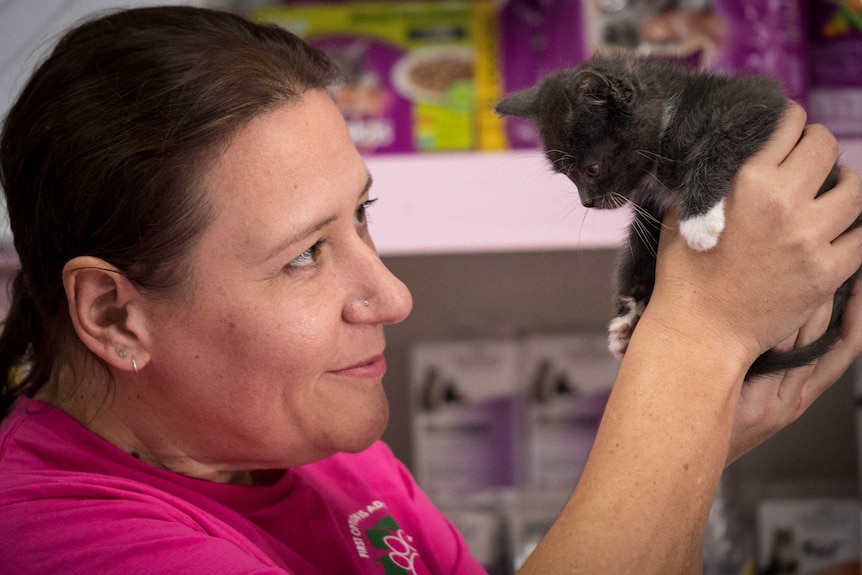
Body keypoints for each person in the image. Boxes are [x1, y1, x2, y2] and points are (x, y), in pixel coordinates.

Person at [0, 5, 860, 575]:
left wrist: (697, 434)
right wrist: (695, 342)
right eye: (304, 255)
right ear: (115, 313)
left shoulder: (321, 444)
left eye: (361, 217)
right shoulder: (62, 539)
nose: (392, 297)